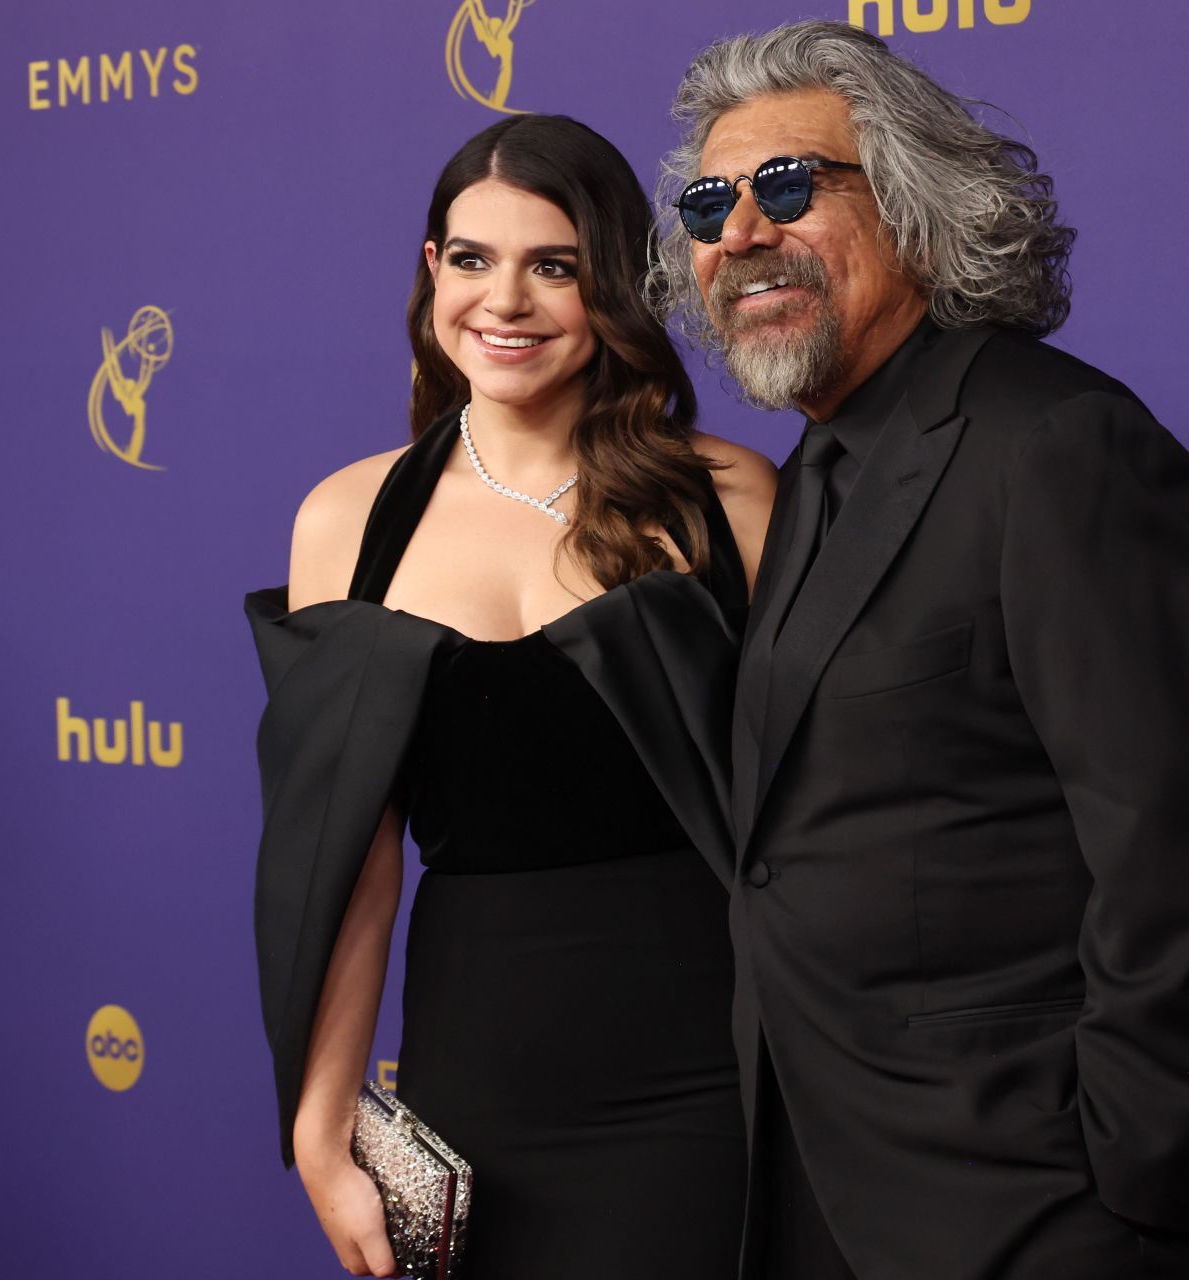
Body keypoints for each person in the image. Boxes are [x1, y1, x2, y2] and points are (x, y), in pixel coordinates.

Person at [651, 22, 1189, 1280]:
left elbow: (1186, 857)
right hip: (826, 1183)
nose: (739, 233)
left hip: (1034, 1207)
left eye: (787, 188)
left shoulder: (1056, 446)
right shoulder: (819, 468)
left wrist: (1128, 1185)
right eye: (708, 202)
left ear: (918, 208)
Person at [245, 113, 776, 1278]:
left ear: (617, 286)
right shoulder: (348, 521)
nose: (507, 302)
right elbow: (353, 854)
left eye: (555, 265)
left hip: (706, 1062)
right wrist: (321, 1119)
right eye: (473, 259)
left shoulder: (728, 500)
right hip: (476, 1068)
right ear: (432, 272)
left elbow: (815, 803)